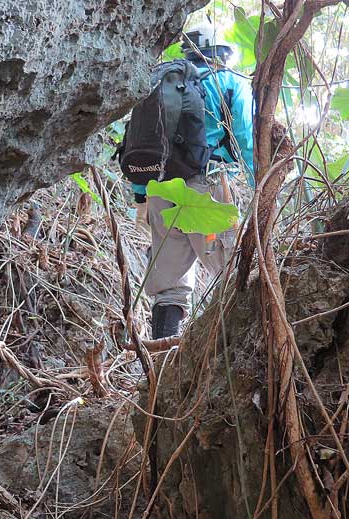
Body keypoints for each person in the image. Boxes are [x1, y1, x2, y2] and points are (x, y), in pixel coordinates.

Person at [133, 23, 256, 339]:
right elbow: (244, 136)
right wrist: (261, 182)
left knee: (169, 284)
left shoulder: (161, 83)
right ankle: (235, 350)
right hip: (207, 187)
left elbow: (140, 141)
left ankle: (161, 361)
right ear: (222, 54)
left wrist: (142, 197)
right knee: (233, 270)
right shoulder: (228, 81)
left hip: (161, 189)